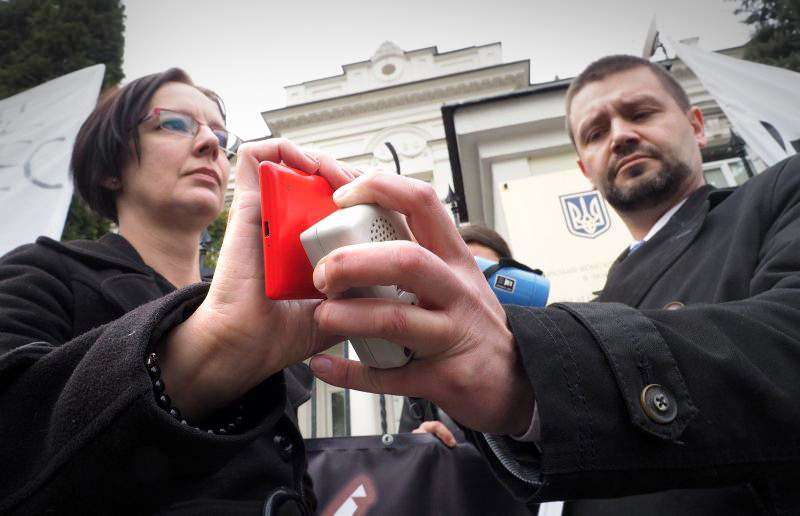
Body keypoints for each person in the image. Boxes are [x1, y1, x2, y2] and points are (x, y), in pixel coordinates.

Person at [306, 55, 800, 515]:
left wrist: (525, 373)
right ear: (585, 168)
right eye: (596, 132)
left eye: (641, 113)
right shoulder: (608, 294)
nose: (621, 136)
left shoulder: (781, 194)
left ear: (697, 125)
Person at [0, 68, 352, 514]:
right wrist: (208, 351)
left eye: (220, 136)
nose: (209, 145)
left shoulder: (269, 303)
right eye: (174, 123)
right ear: (109, 168)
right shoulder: (43, 273)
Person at [398, 224, 513, 447]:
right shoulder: (422, 379)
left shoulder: (547, 349)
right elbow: (409, 451)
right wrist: (422, 444)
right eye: (459, 281)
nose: (474, 295)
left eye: (486, 276)